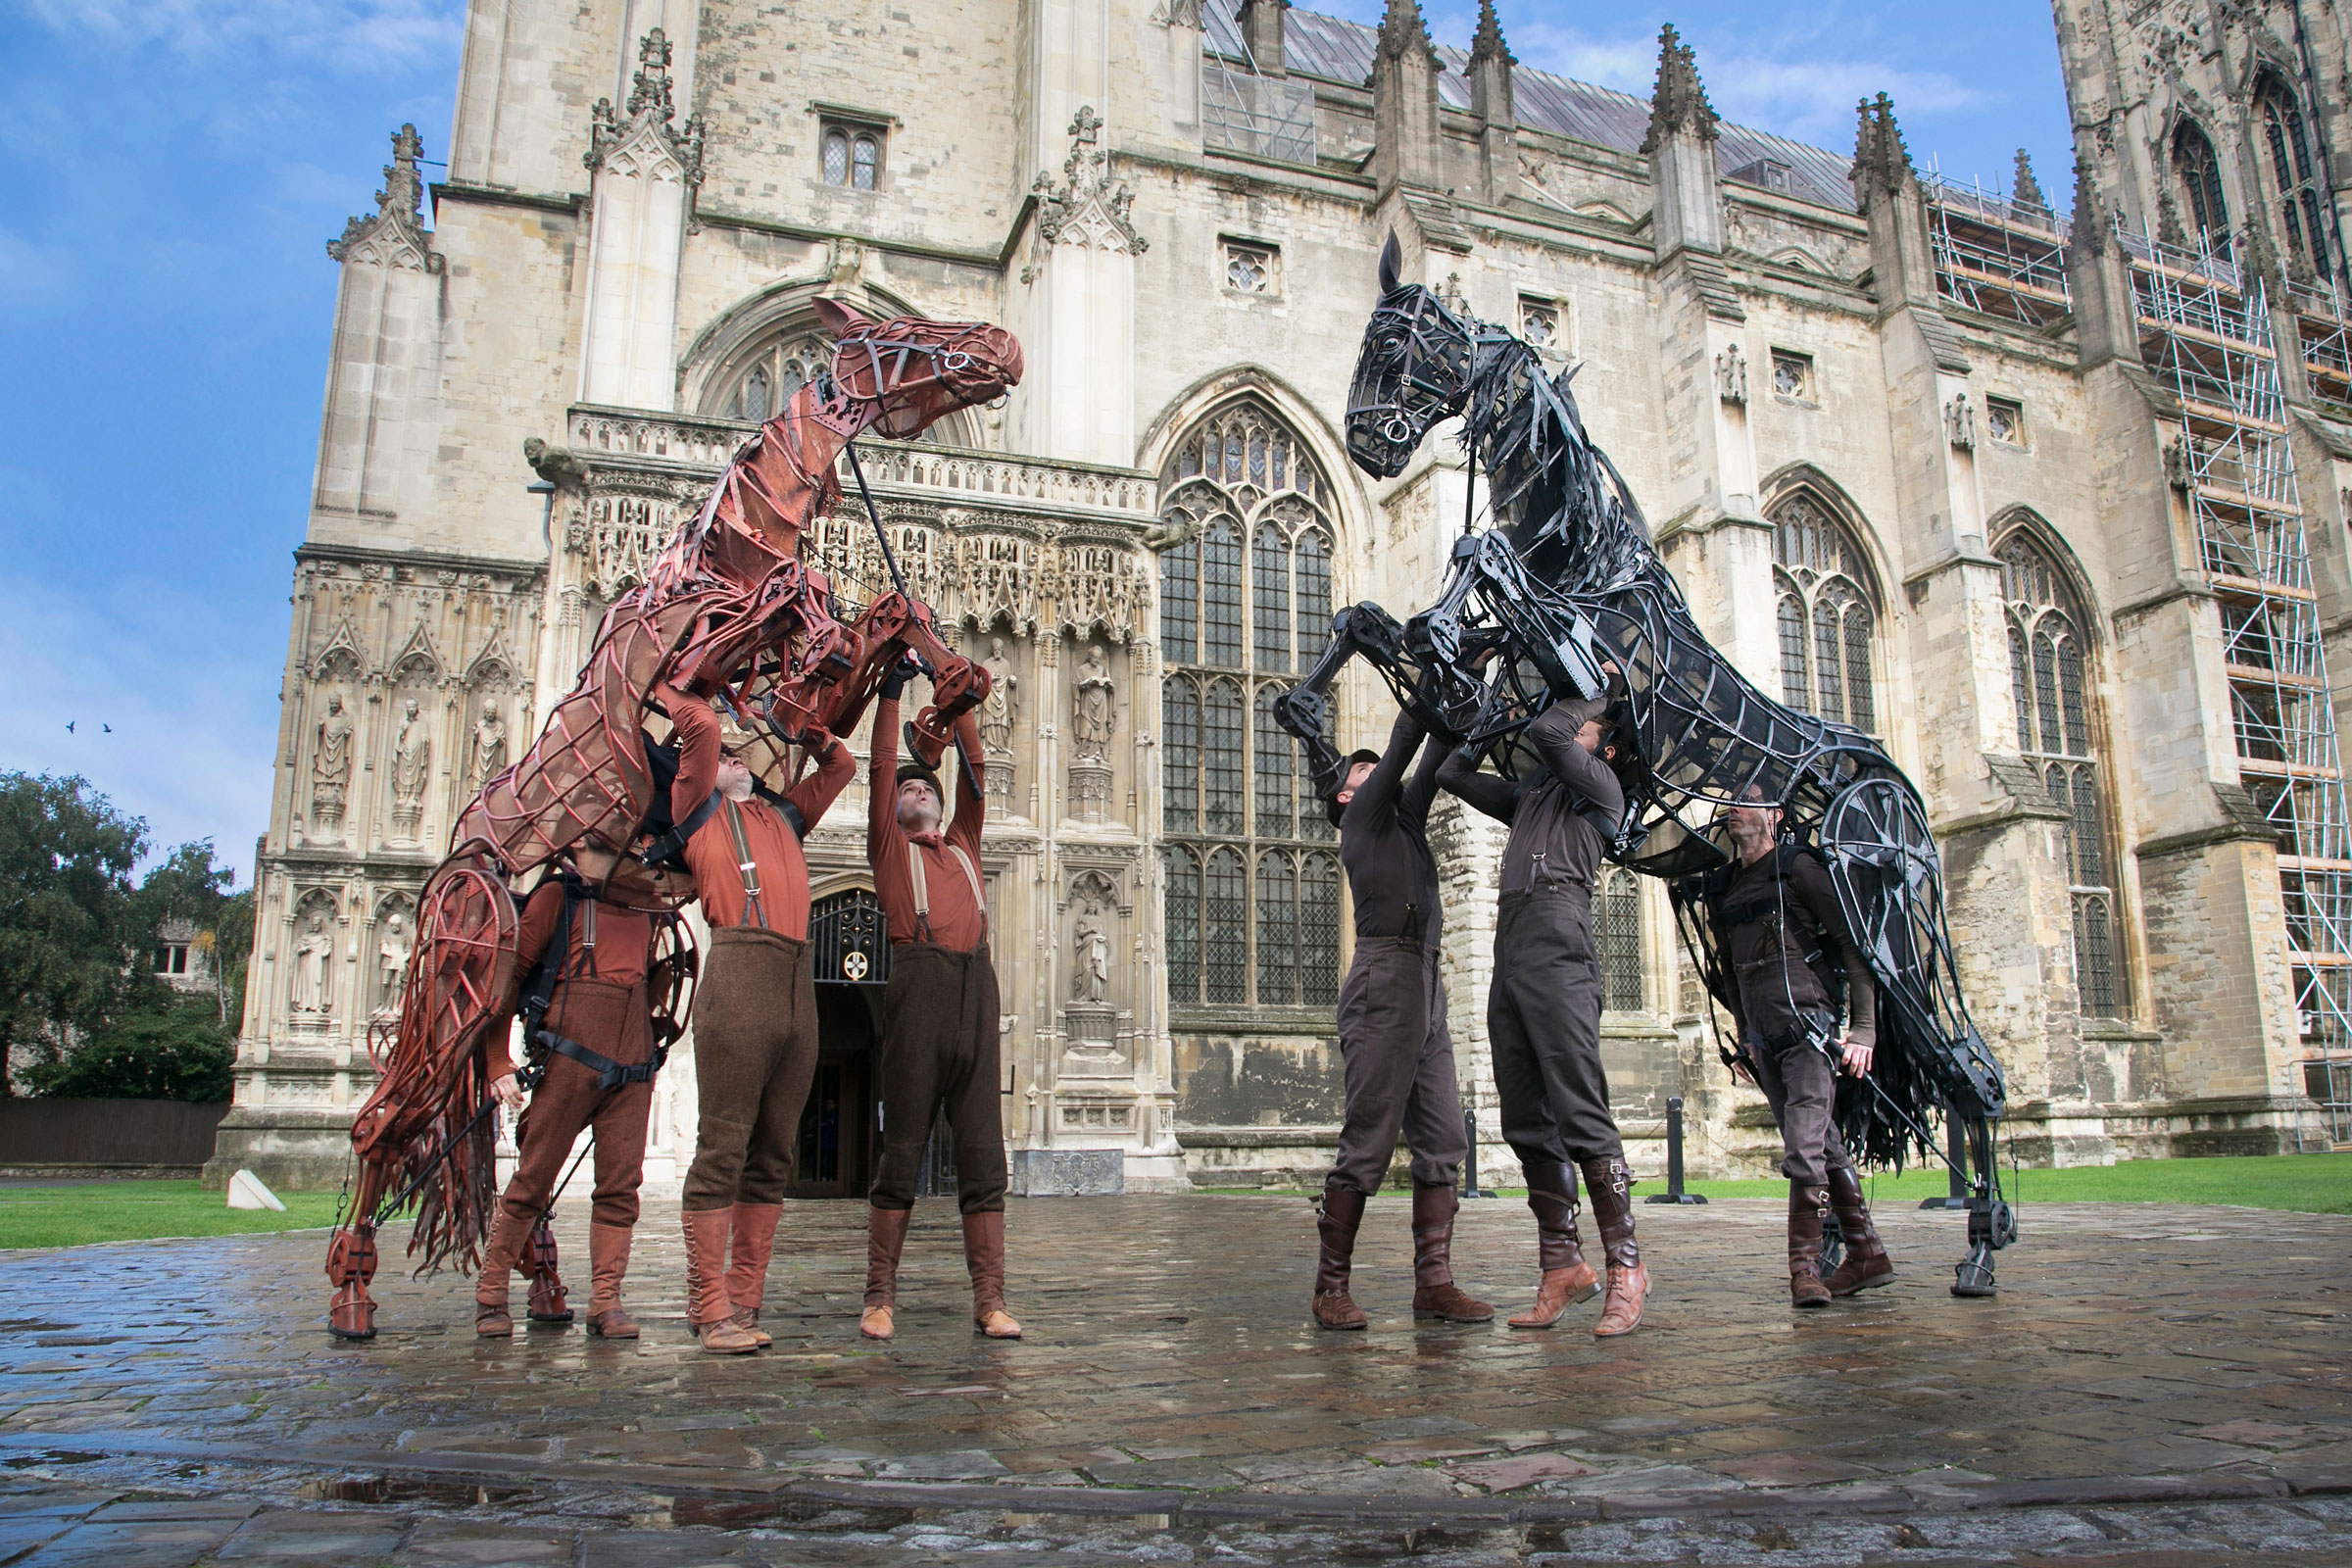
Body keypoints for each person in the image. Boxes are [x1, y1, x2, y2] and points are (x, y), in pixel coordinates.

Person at [1438, 677, 1649, 1337]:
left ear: (1604, 750)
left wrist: (1602, 696)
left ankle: (1627, 1266)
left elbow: (1549, 731)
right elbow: (1451, 773)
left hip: (1560, 935)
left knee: (1580, 1108)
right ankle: (1562, 1265)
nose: (1567, 729)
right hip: (1513, 940)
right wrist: (1487, 719)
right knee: (1525, 1115)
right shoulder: (1533, 795)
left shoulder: (1602, 790)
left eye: (1584, 731)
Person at [666, 688, 856, 1353]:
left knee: (775, 1151)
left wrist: (806, 728)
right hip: (741, 971)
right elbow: (697, 726)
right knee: (723, 1144)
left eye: (743, 752)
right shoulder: (697, 812)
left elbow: (841, 768)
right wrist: (682, 687)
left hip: (797, 981)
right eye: (727, 754)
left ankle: (745, 1299)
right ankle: (707, 1302)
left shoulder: (782, 817)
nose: (739, 757)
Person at [1311, 710, 1490, 1330]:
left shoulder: (1405, 818)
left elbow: (1435, 752)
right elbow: (1406, 743)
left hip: (1426, 977)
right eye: (1361, 770)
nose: (1375, 772)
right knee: (1368, 1141)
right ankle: (1330, 1288)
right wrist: (1425, 694)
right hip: (1383, 978)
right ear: (1344, 795)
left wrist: (1467, 689)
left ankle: (1434, 1285)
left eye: (1373, 768)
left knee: (1444, 1139)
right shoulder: (1359, 818)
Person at [861, 663, 1019, 1342]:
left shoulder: (963, 846)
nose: (920, 790)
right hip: (920, 993)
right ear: (896, 810)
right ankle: (879, 1297)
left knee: (984, 1153)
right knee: (902, 1150)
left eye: (926, 785)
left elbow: (975, 770)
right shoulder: (890, 851)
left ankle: (990, 1300)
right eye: (910, 790)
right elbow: (880, 769)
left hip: (976, 991)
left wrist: (962, 704)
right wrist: (892, 693)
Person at [1701, 793, 1891, 1306]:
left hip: (1810, 1032)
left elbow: (1854, 944)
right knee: (1824, 1145)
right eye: (1730, 803)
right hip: (1766, 1041)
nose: (1732, 809)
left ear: (1775, 816)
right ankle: (1867, 1253)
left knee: (1804, 1150)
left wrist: (1864, 1030)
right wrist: (1745, 1035)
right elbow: (1730, 970)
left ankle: (1804, 1271)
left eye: (1746, 803)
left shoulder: (1798, 868)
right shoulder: (1725, 886)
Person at [473, 846, 667, 1340]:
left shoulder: (648, 906)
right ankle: (491, 1295)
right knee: (533, 1178)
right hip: (568, 1055)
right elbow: (507, 975)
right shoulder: (558, 897)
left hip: (633, 1063)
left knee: (621, 1187)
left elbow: (649, 981)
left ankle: (606, 1301)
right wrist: (497, 1060)